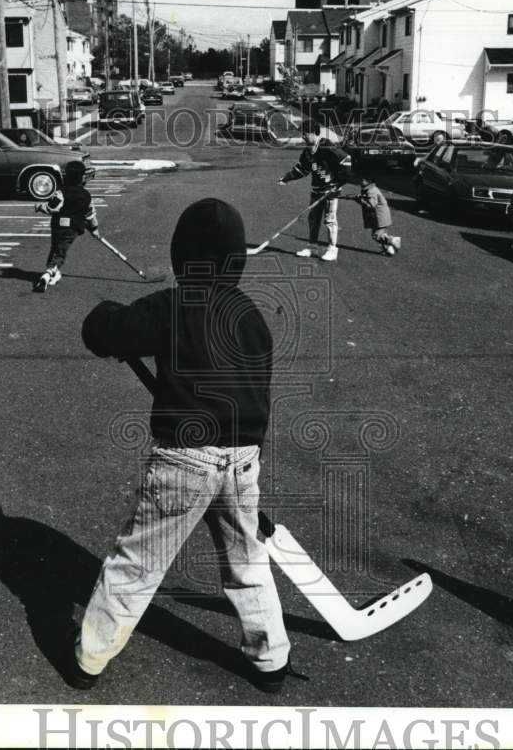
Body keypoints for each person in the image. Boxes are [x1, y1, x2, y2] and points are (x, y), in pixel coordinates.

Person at [72, 198, 293, 693]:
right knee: (247, 563)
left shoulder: (174, 305)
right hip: (242, 457)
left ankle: (90, 657)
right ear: (236, 260)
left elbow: (109, 332)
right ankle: (271, 658)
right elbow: (256, 388)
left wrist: (104, 314)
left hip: (185, 459)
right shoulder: (251, 316)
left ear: (181, 256)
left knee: (138, 561)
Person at [279, 119, 352, 262]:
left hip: (330, 191)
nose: (303, 137)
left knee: (330, 220)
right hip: (316, 190)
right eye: (302, 134)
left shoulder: (326, 146)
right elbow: (301, 169)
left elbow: (346, 160)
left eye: (305, 134)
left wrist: (338, 183)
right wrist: (286, 178)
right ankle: (312, 246)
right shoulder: (307, 151)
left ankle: (332, 249)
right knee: (313, 219)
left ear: (314, 133)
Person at [34, 160, 98, 292]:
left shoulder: (61, 192)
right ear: (82, 178)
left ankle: (52, 272)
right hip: (72, 228)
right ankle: (49, 273)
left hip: (58, 226)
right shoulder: (86, 196)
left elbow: (53, 207)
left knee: (56, 248)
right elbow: (90, 214)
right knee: (60, 251)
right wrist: (94, 228)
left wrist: (40, 206)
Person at [351, 173, 401, 256]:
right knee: (381, 235)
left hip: (380, 217)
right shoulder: (370, 189)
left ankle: (393, 240)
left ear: (368, 181)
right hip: (380, 216)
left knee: (376, 236)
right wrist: (360, 197)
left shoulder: (371, 191)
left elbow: (371, 205)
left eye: (362, 180)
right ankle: (389, 250)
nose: (360, 181)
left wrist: (359, 200)